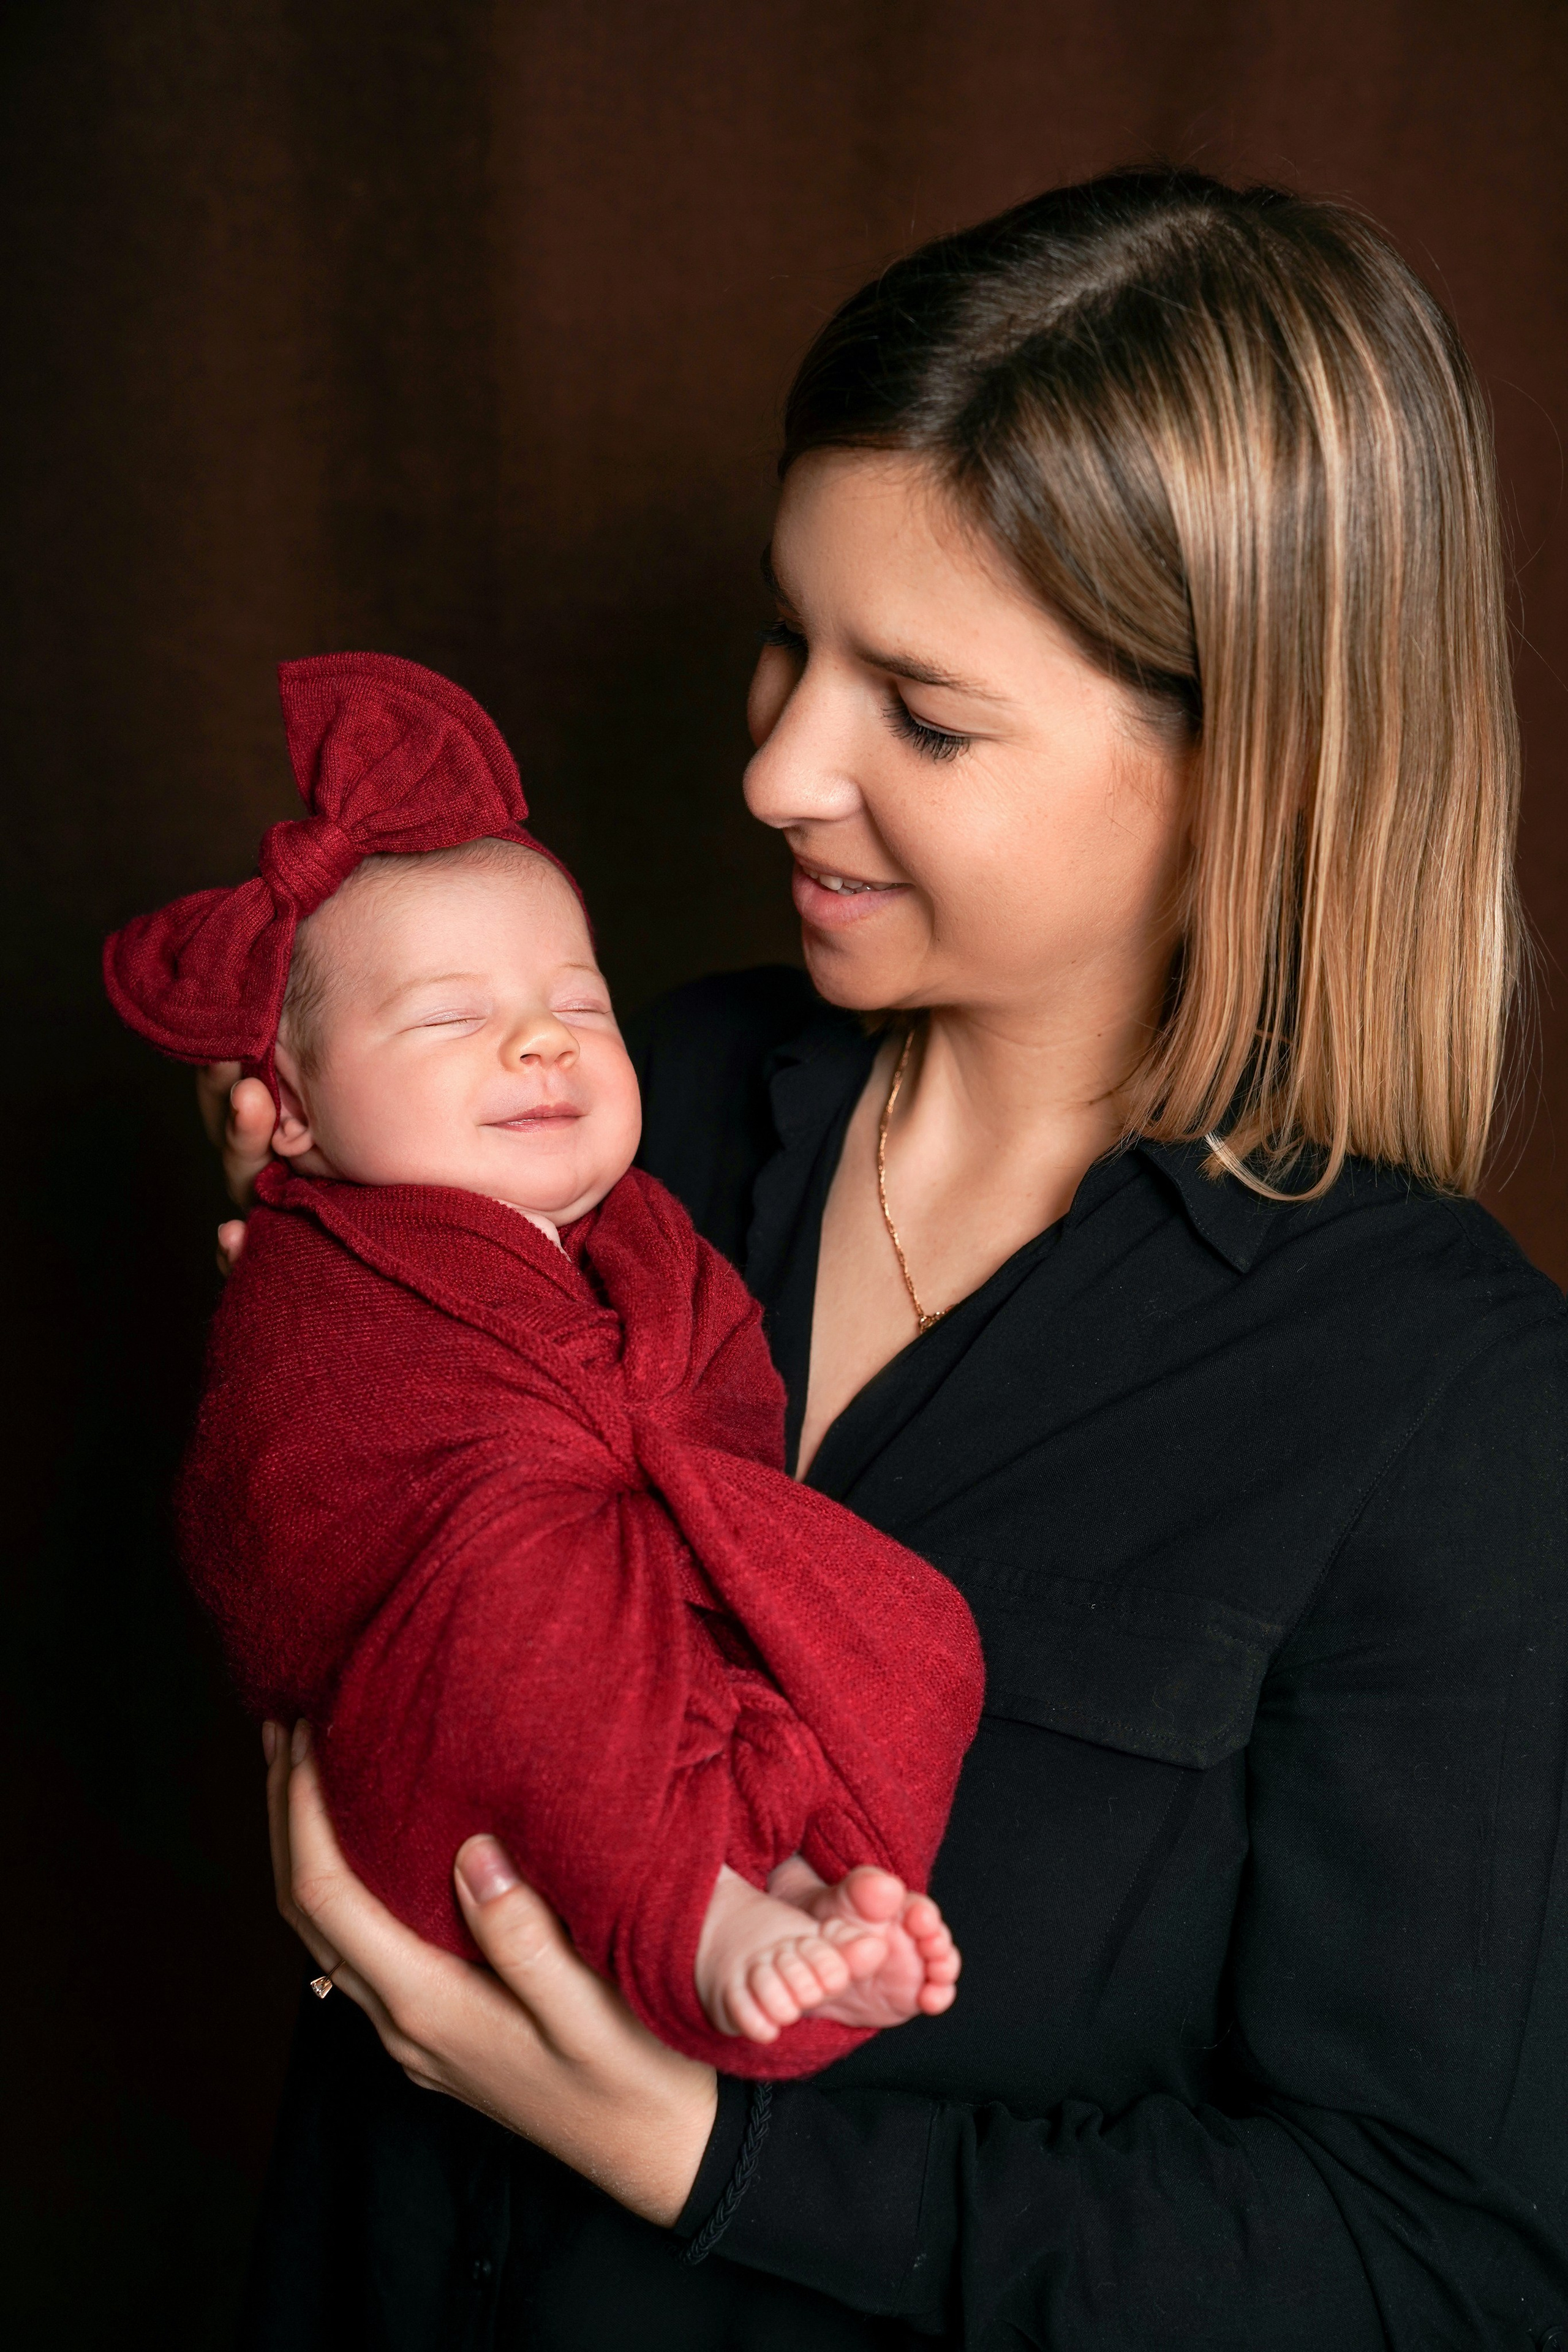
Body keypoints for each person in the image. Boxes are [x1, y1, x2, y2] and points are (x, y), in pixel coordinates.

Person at [204, 171, 1568, 2347]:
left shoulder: (1444, 1403)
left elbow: (1430, 2259)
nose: (772, 768)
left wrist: (699, 2148)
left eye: (919, 712)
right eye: (787, 636)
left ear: (1245, 769)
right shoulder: (625, 1103)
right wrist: (322, 1252)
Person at [107, 650, 979, 2072]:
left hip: (644, 1622)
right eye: (451, 1019)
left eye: (580, 1006)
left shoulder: (641, 1233)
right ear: (292, 1116)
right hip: (440, 1730)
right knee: (534, 1618)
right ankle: (696, 1922)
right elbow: (275, 1514)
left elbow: (728, 1408)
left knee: (887, 1628)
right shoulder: (311, 1281)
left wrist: (673, 1515)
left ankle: (811, 1871)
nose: (536, 1041)